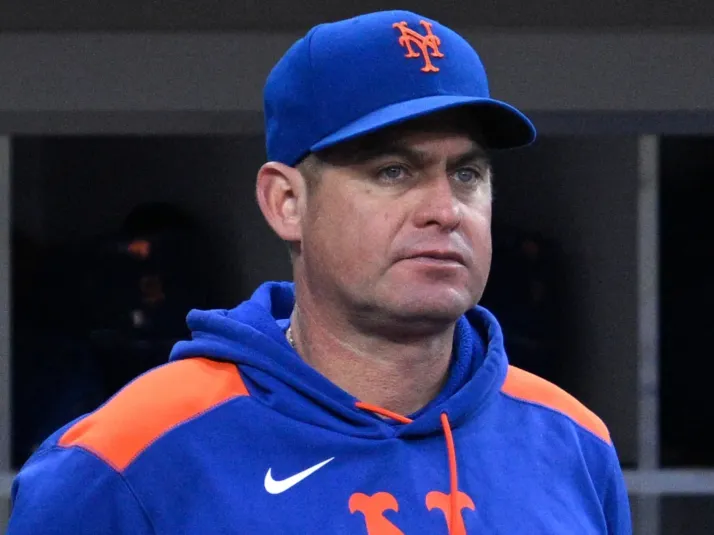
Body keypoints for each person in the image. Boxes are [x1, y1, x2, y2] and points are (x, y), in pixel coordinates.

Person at [8, 9, 632, 534]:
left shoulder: (572, 441)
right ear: (286, 203)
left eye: (466, 174)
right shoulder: (124, 459)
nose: (444, 211)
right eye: (393, 171)